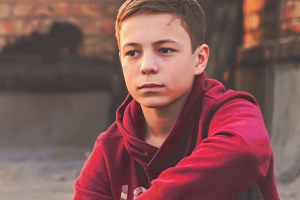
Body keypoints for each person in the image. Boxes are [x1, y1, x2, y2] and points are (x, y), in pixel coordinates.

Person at [74, 0, 280, 199]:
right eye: (133, 52)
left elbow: (246, 152)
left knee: (237, 174)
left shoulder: (232, 111)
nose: (147, 66)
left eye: (165, 50)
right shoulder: (110, 149)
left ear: (199, 59)